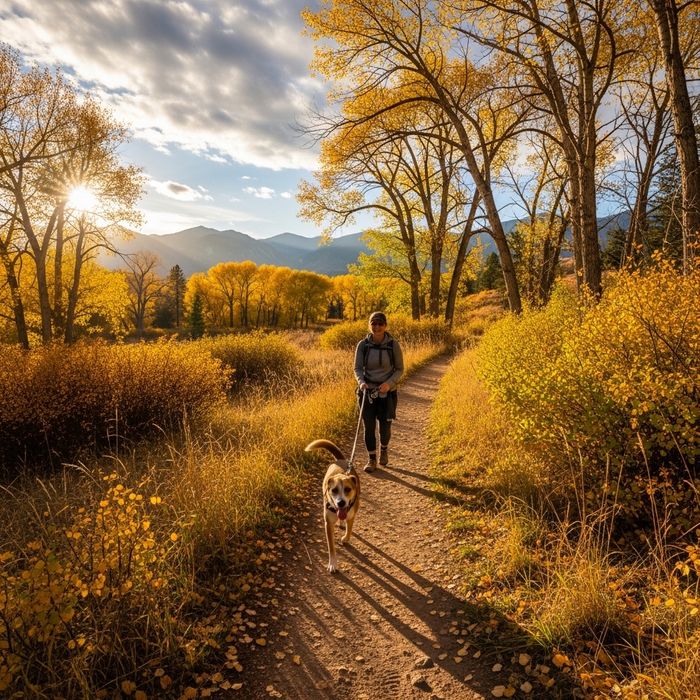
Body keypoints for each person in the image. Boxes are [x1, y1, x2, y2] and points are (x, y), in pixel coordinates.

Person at [354, 311, 404, 472]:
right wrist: (361, 382)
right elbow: (357, 368)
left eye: (380, 324)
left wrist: (389, 384)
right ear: (369, 325)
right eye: (373, 323)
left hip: (387, 393)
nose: (376, 327)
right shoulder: (363, 345)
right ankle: (371, 459)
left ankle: (384, 449)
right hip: (367, 392)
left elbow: (399, 369)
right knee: (368, 427)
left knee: (384, 427)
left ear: (385, 325)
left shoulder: (393, 345)